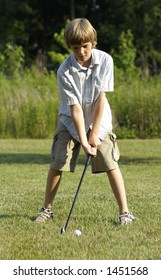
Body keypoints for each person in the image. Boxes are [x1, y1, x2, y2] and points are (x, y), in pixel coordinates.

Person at [33, 18, 135, 225]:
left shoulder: (106, 61)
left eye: (85, 46)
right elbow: (75, 109)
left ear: (93, 42)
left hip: (100, 118)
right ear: (69, 47)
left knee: (109, 162)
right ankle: (47, 209)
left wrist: (94, 135)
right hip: (70, 120)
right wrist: (84, 140)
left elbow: (101, 98)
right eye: (75, 47)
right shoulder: (65, 70)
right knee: (58, 162)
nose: (81, 51)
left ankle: (125, 212)